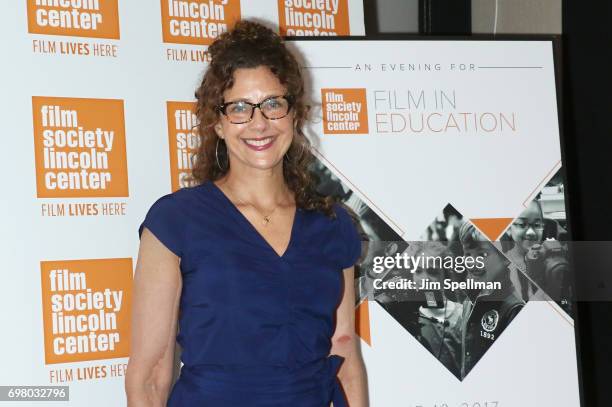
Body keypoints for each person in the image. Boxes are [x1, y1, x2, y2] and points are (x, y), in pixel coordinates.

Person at [125, 21, 368, 407]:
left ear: (294, 114)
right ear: (218, 123)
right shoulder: (176, 222)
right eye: (239, 107)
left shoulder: (333, 224)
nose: (259, 123)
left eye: (273, 104)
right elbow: (151, 375)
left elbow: (344, 351)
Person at [457, 221, 525, 379]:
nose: (473, 262)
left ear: (505, 258)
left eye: (482, 255)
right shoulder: (469, 301)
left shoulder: (514, 309)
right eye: (467, 254)